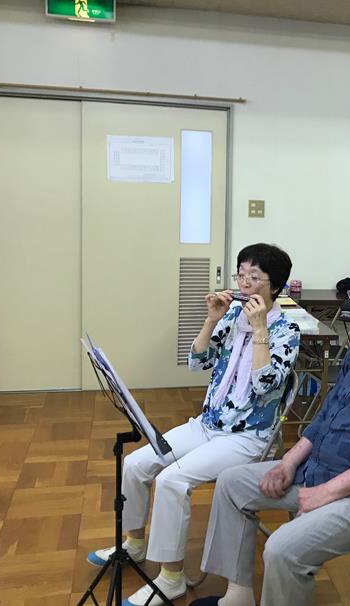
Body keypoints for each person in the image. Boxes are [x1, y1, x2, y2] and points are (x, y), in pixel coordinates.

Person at [190, 245, 350, 606]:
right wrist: (288, 462)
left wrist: (325, 493)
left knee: (282, 549)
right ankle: (238, 596)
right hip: (317, 469)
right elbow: (326, 414)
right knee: (232, 484)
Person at [87, 243, 301, 606]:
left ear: (275, 286)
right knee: (135, 463)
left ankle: (171, 578)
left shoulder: (286, 331)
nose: (244, 284)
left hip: (245, 438)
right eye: (241, 275)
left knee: (172, 480)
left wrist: (260, 329)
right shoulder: (231, 318)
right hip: (207, 424)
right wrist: (212, 319)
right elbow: (197, 363)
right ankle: (134, 544)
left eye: (254, 277)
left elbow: (265, 385)